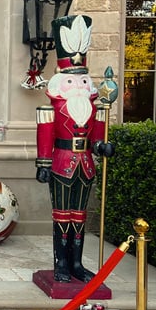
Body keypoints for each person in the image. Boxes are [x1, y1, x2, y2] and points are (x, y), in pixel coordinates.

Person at [35, 14, 114, 283]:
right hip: (61, 162)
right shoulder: (51, 109)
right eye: (72, 81)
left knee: (79, 215)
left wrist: (102, 145)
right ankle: (61, 263)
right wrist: (43, 164)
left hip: (85, 164)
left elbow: (98, 135)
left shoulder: (95, 108)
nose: (78, 85)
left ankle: (77, 263)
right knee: (62, 215)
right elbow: (45, 136)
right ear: (61, 82)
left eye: (82, 80)